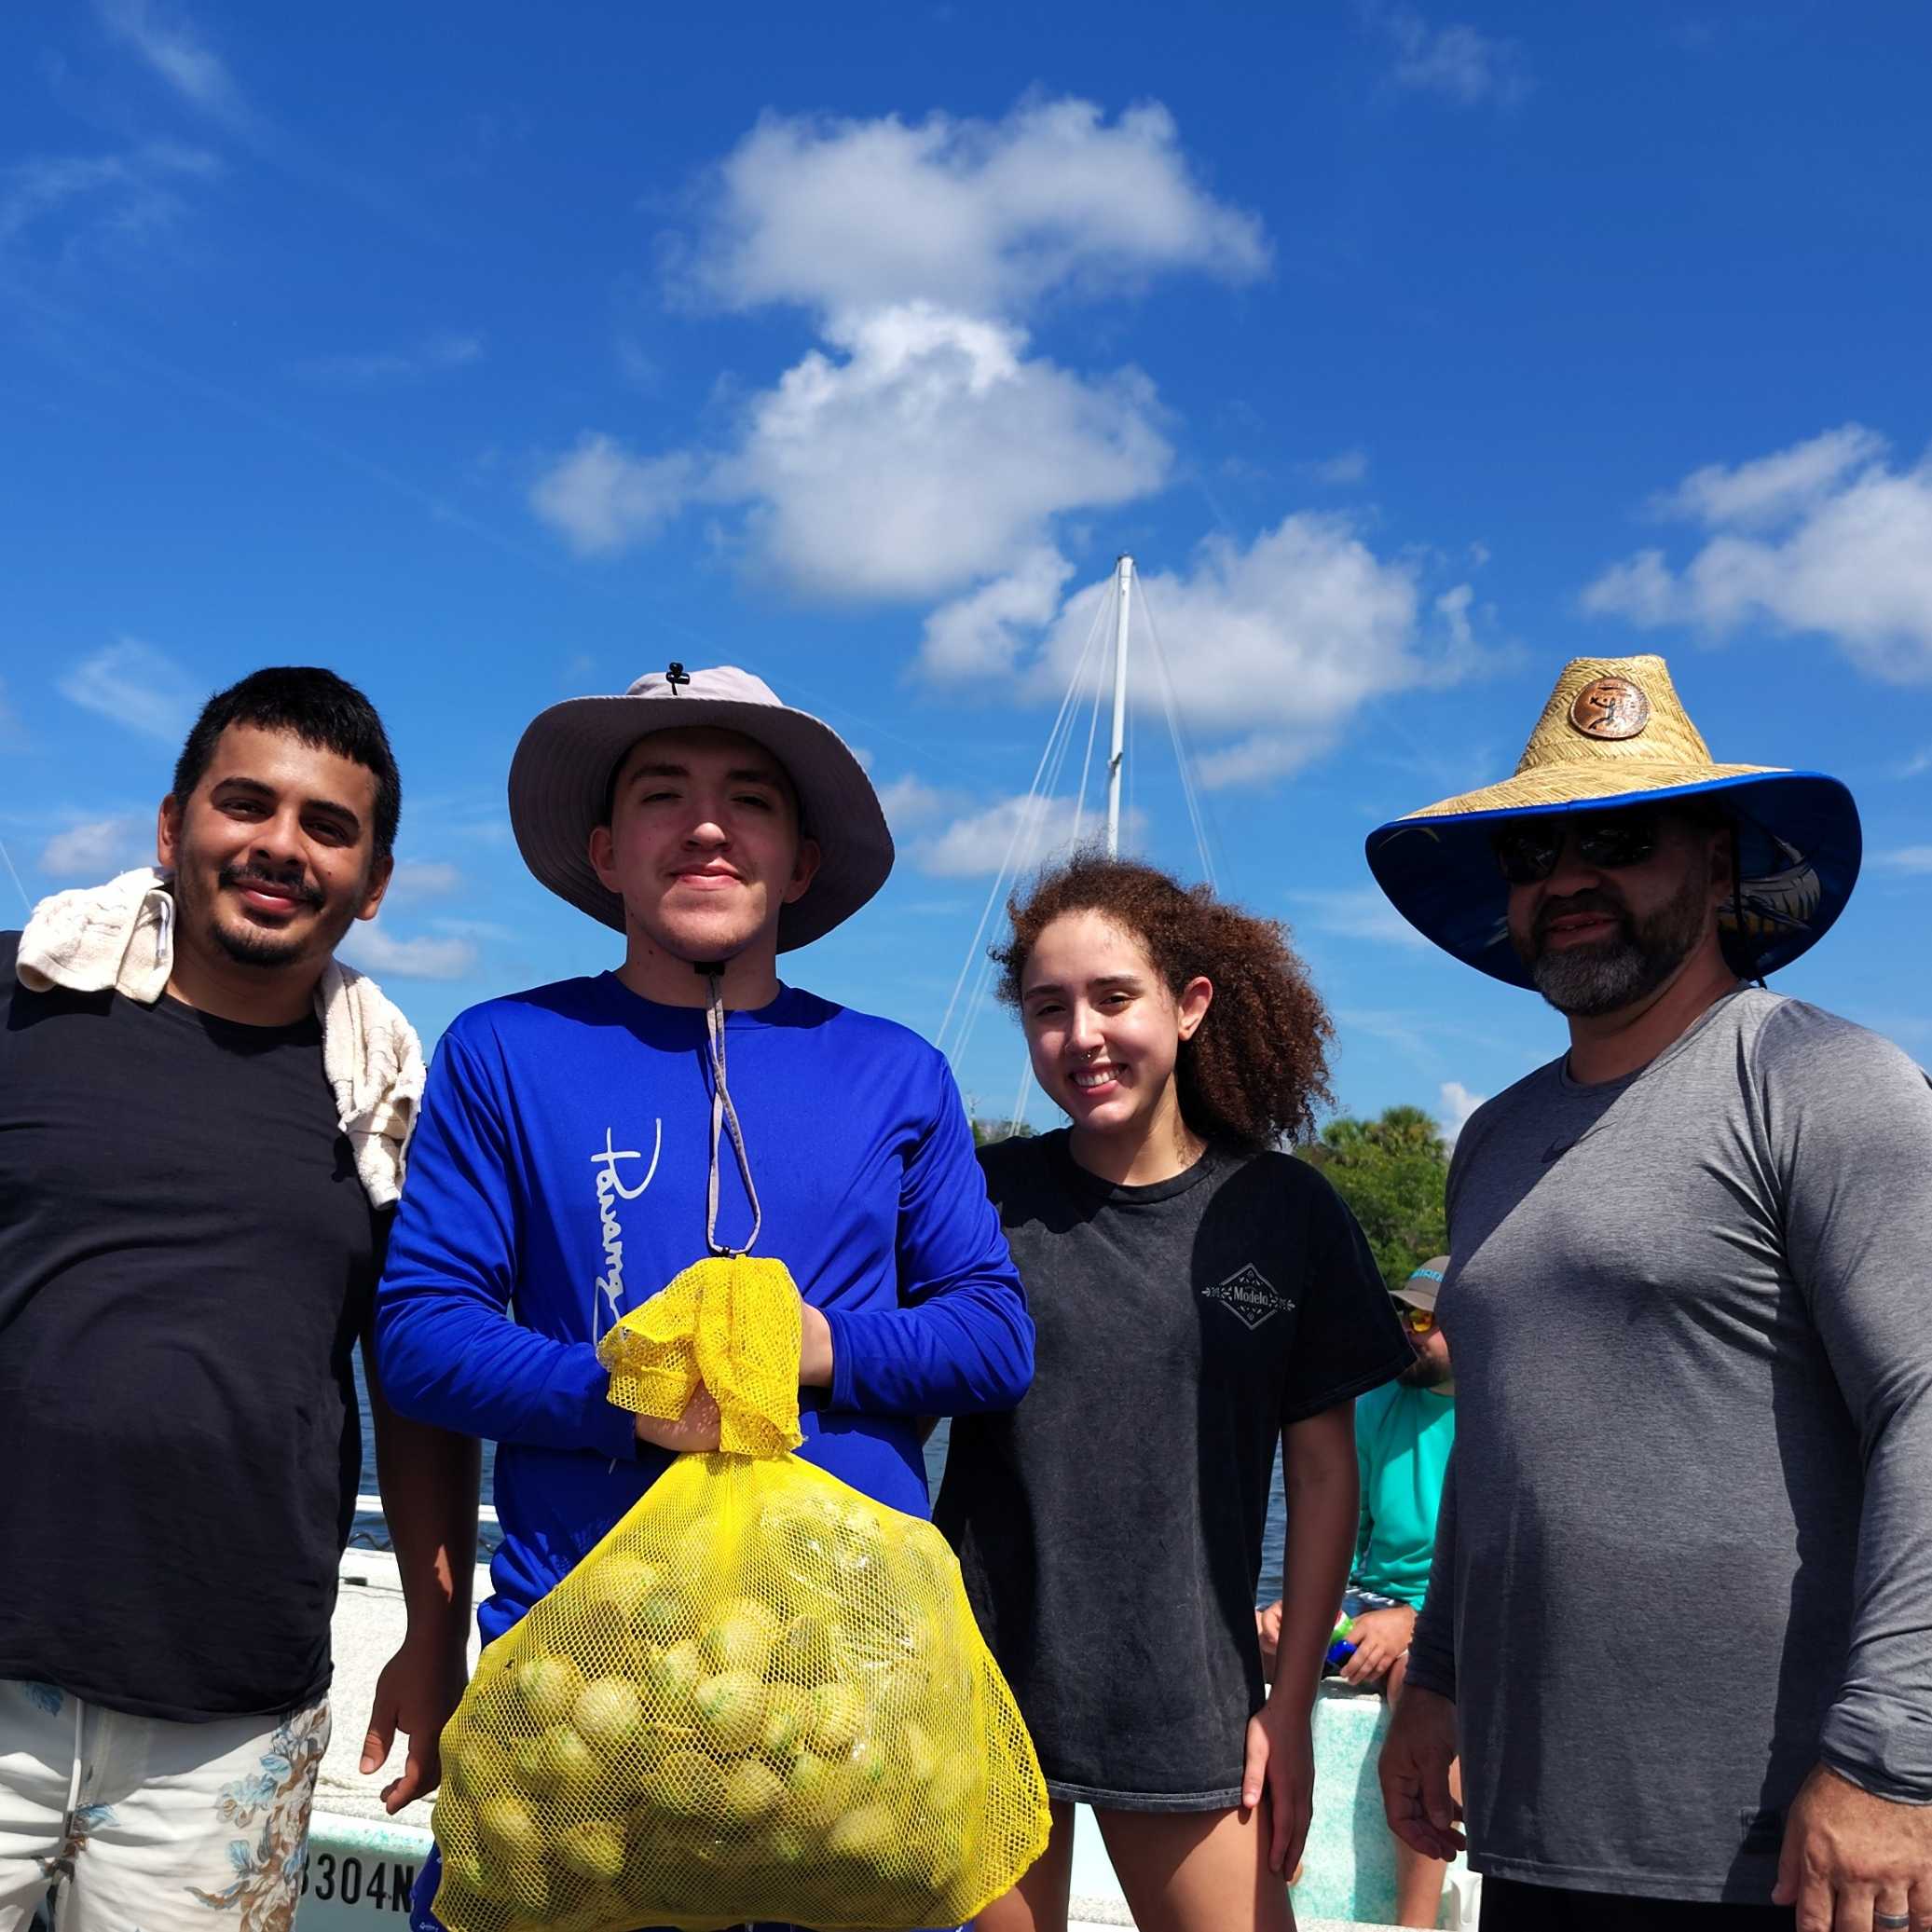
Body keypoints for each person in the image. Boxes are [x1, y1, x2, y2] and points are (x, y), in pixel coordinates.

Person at [372, 664, 1035, 1932]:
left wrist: (817, 1347)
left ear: (800, 862)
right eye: (663, 795)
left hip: (851, 1697)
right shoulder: (503, 1051)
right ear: (606, 852)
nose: (709, 826)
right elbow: (420, 1335)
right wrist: (622, 1396)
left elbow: (994, 1335)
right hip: (577, 1681)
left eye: (751, 802)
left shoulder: (898, 1072)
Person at [1365, 653, 1932, 1930]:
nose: (1569, 879)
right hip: (1534, 1829)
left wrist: (1894, 1756)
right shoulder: (1493, 1140)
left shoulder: (1820, 1081)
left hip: (1792, 1847)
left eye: (1619, 840)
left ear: (1720, 867)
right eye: (1533, 853)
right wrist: (1437, 1679)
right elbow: (1495, 1445)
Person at [0, 667, 478, 1932]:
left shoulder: (387, 1105)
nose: (281, 846)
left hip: (230, 1717)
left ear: (374, 882)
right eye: (246, 804)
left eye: (328, 825)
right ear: (173, 827)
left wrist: (435, 1637)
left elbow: (415, 1389)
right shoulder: (21, 1001)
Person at [934, 854, 1413, 1932]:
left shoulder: (1285, 1210)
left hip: (1186, 1698)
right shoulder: (981, 1199)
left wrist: (1290, 1707)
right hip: (978, 1690)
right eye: (1049, 1009)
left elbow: (1324, 1476)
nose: (1082, 1036)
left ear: (1190, 1005)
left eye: (1114, 998)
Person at [1267, 1254, 1459, 1927]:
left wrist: (1416, 1621)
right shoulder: (1375, 1402)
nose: (1407, 1330)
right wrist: (1304, 1611)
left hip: (1452, 1619)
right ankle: (1271, 1858)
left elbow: (1501, 1573)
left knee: (1422, 1677)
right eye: (1402, 1315)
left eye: (1425, 1320)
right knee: (1243, 1644)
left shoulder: (1499, 1419)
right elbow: (1343, 1548)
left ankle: (1416, 1920)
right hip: (1369, 1609)